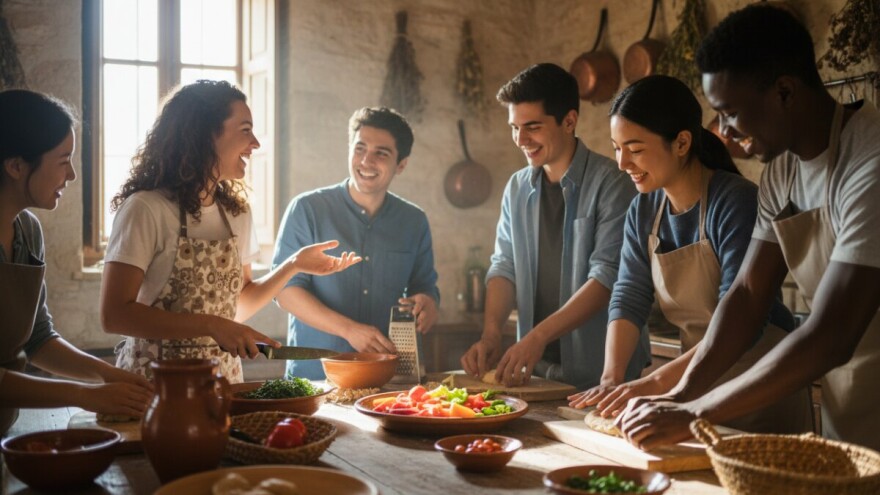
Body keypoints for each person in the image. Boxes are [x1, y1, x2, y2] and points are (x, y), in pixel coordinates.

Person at [619, 4, 880, 451]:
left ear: (784, 91)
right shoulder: (782, 174)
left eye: (730, 113)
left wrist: (695, 412)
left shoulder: (869, 164)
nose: (722, 132)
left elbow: (833, 333)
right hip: (848, 399)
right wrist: (682, 395)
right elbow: (745, 296)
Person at [567, 75, 812, 435]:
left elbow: (742, 320)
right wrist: (611, 379)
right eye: (616, 148)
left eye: (634, 149)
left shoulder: (734, 202)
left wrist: (653, 386)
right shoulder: (643, 210)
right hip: (690, 385)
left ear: (681, 142)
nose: (621, 163)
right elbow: (629, 294)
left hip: (757, 387)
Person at [100, 80, 359, 383]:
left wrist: (294, 265)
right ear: (205, 135)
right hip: (154, 390)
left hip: (222, 387)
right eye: (245, 130)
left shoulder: (237, 213)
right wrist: (211, 325)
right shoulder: (146, 208)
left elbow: (237, 306)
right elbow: (115, 314)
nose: (256, 144)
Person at [460, 63, 644, 389]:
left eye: (532, 127)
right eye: (514, 127)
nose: (520, 139)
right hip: (537, 375)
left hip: (602, 378)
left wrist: (537, 336)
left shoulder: (613, 183)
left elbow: (605, 278)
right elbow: (504, 267)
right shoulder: (516, 188)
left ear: (569, 121)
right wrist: (490, 336)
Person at [0, 89, 153, 434]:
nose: (70, 176)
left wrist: (108, 374)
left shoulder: (27, 231)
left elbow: (37, 338)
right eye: (62, 160)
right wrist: (86, 395)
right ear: (15, 166)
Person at [273, 107, 440, 380]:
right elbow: (285, 292)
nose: (366, 161)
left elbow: (425, 287)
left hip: (389, 379)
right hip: (315, 377)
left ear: (401, 164)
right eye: (359, 148)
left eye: (381, 153)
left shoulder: (414, 220)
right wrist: (349, 330)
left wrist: (428, 303)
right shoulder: (307, 209)